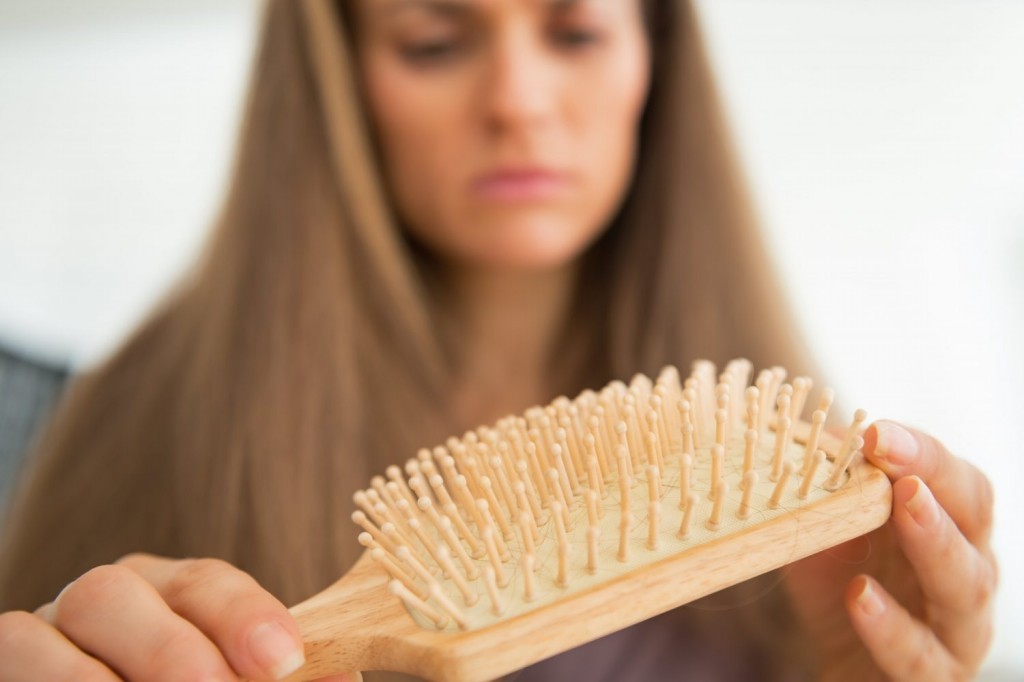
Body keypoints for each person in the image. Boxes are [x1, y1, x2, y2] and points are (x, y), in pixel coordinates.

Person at [0, 0, 996, 680]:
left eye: (573, 32)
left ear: (654, 54)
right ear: (339, 74)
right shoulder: (145, 409)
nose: (517, 100)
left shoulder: (770, 456)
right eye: (435, 41)